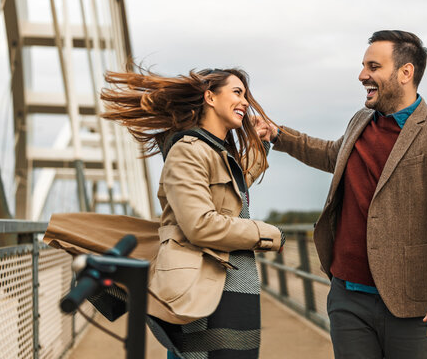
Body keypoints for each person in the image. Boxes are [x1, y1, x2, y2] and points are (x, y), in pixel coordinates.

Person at [43, 68, 285, 359]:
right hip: (203, 287)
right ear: (209, 97)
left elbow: (235, 185)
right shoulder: (188, 151)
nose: (245, 101)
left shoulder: (217, 152)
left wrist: (262, 143)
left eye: (245, 95)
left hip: (234, 285)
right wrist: (270, 234)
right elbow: (200, 225)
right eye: (237, 92)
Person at [267, 30, 427, 358]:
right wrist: (278, 135)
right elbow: (330, 154)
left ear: (405, 73)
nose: (362, 75)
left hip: (409, 306)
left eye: (373, 66)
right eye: (364, 66)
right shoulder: (360, 120)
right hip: (347, 298)